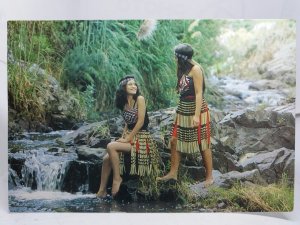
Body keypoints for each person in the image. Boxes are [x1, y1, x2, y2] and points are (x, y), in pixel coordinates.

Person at [157, 43, 214, 187]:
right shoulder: (183, 69)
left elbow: (199, 93)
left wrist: (196, 115)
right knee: (174, 140)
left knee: (203, 142)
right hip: (183, 109)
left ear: (180, 57)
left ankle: (209, 177)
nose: (174, 58)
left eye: (175, 55)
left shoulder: (196, 69)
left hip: (197, 110)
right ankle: (173, 173)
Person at [96, 75, 160, 198]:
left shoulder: (140, 99)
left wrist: (127, 138)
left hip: (141, 139)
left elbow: (140, 121)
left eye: (135, 84)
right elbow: (127, 122)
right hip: (129, 136)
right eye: (130, 84)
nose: (134, 86)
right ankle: (102, 190)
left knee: (111, 146)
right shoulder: (124, 103)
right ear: (123, 87)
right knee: (106, 159)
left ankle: (117, 178)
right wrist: (123, 136)